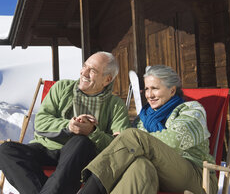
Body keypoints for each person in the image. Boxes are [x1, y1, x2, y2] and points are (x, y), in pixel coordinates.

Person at [0, 51, 130, 194]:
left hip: (80, 158)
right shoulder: (61, 88)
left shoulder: (115, 105)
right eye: (85, 66)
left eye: (93, 71)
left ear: (107, 80)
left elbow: (120, 145)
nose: (84, 73)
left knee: (81, 142)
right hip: (47, 149)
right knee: (5, 151)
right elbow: (40, 122)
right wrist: (68, 126)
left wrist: (92, 132)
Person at [79, 65, 218, 194]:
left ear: (172, 90)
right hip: (161, 175)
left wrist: (136, 139)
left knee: (134, 137)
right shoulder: (143, 119)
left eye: (155, 88)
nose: (149, 95)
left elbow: (176, 140)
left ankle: (91, 189)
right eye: (146, 89)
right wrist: (94, 132)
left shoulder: (191, 110)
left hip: (197, 177)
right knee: (141, 166)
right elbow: (124, 148)